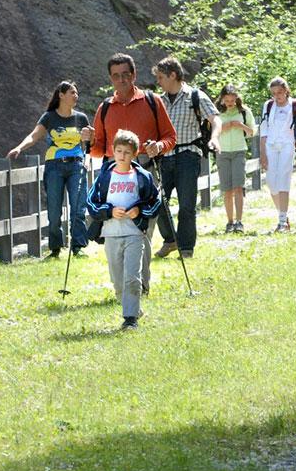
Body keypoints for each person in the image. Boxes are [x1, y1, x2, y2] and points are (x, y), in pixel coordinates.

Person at [83, 53, 177, 294]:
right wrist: (88, 141)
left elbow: (170, 137)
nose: (122, 80)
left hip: (145, 171)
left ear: (134, 75)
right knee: (114, 230)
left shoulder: (151, 101)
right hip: (113, 176)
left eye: (126, 74)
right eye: (116, 76)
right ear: (111, 79)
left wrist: (159, 146)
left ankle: (139, 285)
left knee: (143, 227)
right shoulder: (105, 108)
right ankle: (121, 285)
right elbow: (97, 150)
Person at [85, 129, 161, 330]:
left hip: (135, 233)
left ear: (134, 153)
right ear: (113, 151)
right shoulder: (105, 177)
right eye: (118, 151)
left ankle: (130, 319)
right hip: (111, 233)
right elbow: (91, 203)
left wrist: (140, 210)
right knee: (118, 281)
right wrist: (108, 211)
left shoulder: (142, 176)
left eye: (127, 152)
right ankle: (132, 307)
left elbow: (155, 202)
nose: (122, 155)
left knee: (132, 278)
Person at [7, 81, 91, 258]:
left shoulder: (81, 118)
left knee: (78, 206)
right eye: (72, 92)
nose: (76, 96)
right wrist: (19, 148)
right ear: (61, 95)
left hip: (77, 164)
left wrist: (90, 138)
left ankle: (78, 247)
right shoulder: (49, 117)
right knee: (54, 210)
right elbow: (34, 136)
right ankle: (55, 248)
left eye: (77, 93)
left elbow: (89, 144)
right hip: (54, 166)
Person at [151, 57, 222, 258]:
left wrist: (215, 138)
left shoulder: (195, 96)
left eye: (161, 77)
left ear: (173, 75)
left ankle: (186, 248)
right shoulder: (159, 100)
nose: (159, 81)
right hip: (164, 156)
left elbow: (215, 119)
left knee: (187, 204)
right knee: (157, 201)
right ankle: (171, 240)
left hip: (188, 155)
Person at [257, 77, 296, 233]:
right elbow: (264, 130)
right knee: (271, 182)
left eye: (279, 92)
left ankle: (282, 221)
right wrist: (262, 153)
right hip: (271, 145)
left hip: (287, 144)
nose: (276, 96)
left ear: (286, 91)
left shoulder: (295, 105)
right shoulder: (269, 105)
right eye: (273, 93)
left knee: (283, 179)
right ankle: (282, 213)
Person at [215, 84, 255, 233]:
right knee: (227, 190)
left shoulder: (244, 111)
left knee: (238, 187)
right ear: (222, 99)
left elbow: (252, 132)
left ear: (237, 98)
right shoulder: (217, 113)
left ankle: (239, 222)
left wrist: (241, 126)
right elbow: (212, 132)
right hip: (222, 152)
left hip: (239, 151)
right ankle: (229, 222)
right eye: (227, 100)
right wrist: (226, 126)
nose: (230, 103)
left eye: (232, 100)